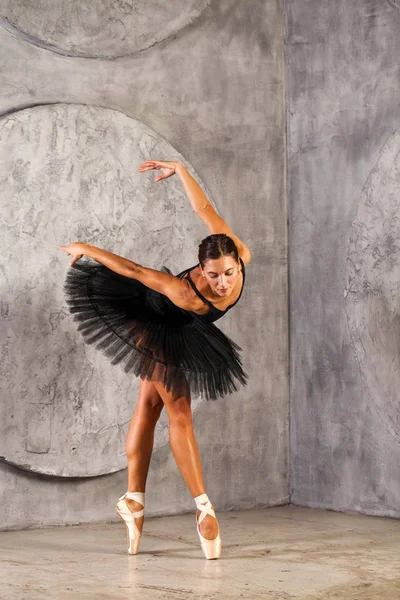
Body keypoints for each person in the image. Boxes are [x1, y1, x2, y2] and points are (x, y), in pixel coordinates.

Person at [58, 159, 251, 560]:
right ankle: (203, 506)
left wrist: (180, 170)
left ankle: (133, 500)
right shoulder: (184, 291)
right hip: (157, 322)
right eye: (214, 275)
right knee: (180, 414)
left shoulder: (238, 254)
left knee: (148, 404)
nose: (222, 283)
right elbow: (133, 270)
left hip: (185, 329)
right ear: (201, 269)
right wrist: (85, 248)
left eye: (229, 274)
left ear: (237, 261)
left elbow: (204, 210)